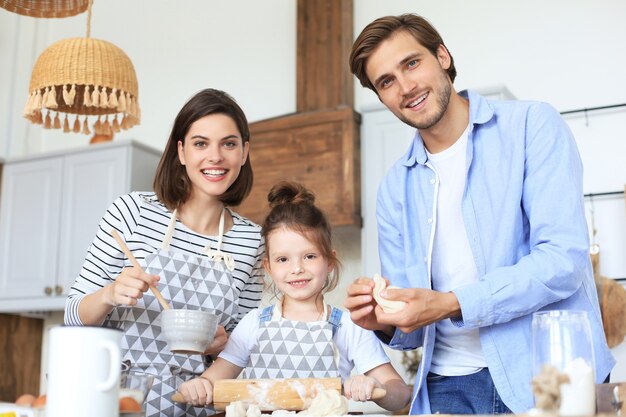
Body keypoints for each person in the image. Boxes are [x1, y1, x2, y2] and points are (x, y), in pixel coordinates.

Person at [344, 13, 615, 415]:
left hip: (549, 376)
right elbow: (413, 320)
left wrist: (451, 303)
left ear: (443, 56)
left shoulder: (531, 126)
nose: (406, 87)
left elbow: (562, 260)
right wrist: (383, 318)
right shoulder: (394, 189)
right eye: (386, 82)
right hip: (446, 387)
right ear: (381, 97)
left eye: (412, 63)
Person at [64, 88, 265, 417]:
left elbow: (240, 348)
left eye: (228, 144)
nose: (215, 156)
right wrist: (110, 294)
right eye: (201, 143)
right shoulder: (131, 212)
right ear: (181, 152)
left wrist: (222, 344)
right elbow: (72, 317)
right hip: (113, 400)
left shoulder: (252, 241)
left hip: (191, 407)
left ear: (244, 152)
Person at [178, 181, 411, 412]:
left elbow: (399, 395)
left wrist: (373, 385)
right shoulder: (254, 324)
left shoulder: (350, 326)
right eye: (283, 259)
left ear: (329, 261)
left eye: (309, 256)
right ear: (268, 267)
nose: (297, 268)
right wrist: (200, 386)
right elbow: (213, 380)